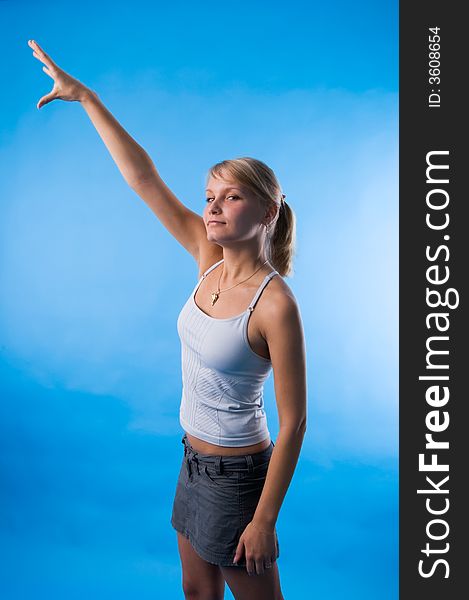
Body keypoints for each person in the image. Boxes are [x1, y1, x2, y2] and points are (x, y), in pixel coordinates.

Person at [28, 39, 307, 600]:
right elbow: (144, 180)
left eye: (230, 198)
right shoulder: (206, 261)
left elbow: (294, 420)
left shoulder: (275, 304)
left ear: (267, 212)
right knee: (196, 591)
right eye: (210, 196)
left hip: (238, 478)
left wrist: (264, 519)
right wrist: (87, 99)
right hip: (192, 462)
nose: (212, 207)